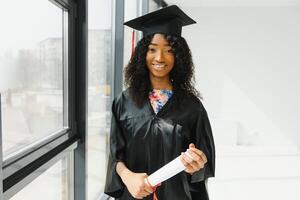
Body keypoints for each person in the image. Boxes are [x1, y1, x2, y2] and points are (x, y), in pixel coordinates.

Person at [104, 5, 215, 200]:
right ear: (142, 55)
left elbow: (203, 165)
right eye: (152, 49)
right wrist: (127, 176)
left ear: (178, 56)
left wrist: (196, 165)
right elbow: (115, 155)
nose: (159, 58)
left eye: (168, 50)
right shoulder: (124, 101)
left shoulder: (192, 106)